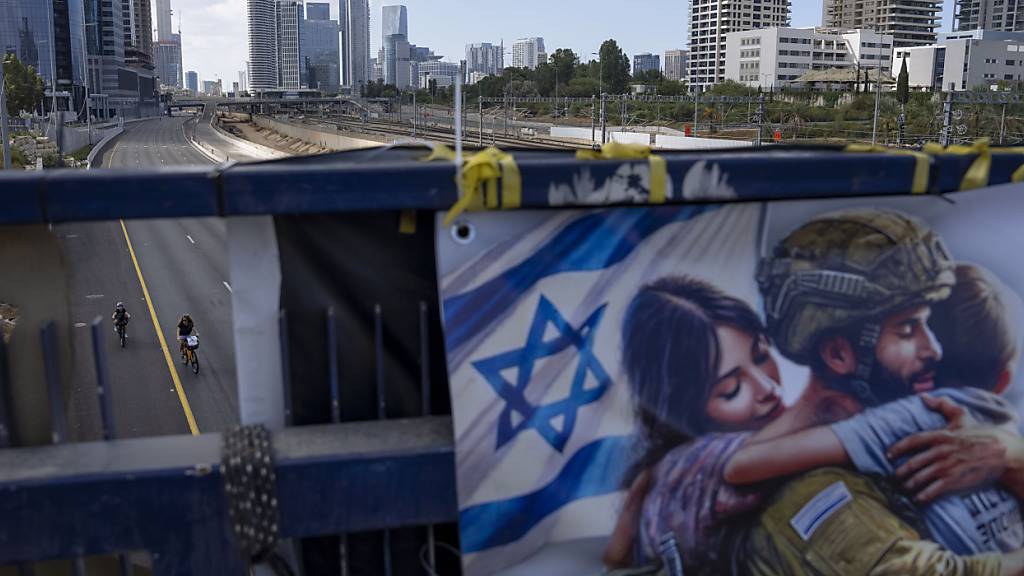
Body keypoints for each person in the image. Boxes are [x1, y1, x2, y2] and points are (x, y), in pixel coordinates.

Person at [734, 208, 1024, 574]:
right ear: (839, 354)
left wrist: (1009, 459)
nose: (933, 349)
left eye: (928, 324)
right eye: (906, 330)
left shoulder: (943, 437)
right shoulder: (812, 491)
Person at [606, 276, 786, 570]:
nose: (768, 389)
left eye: (762, 355)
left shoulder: (653, 480)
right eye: (731, 390)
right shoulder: (696, 468)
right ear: (682, 410)